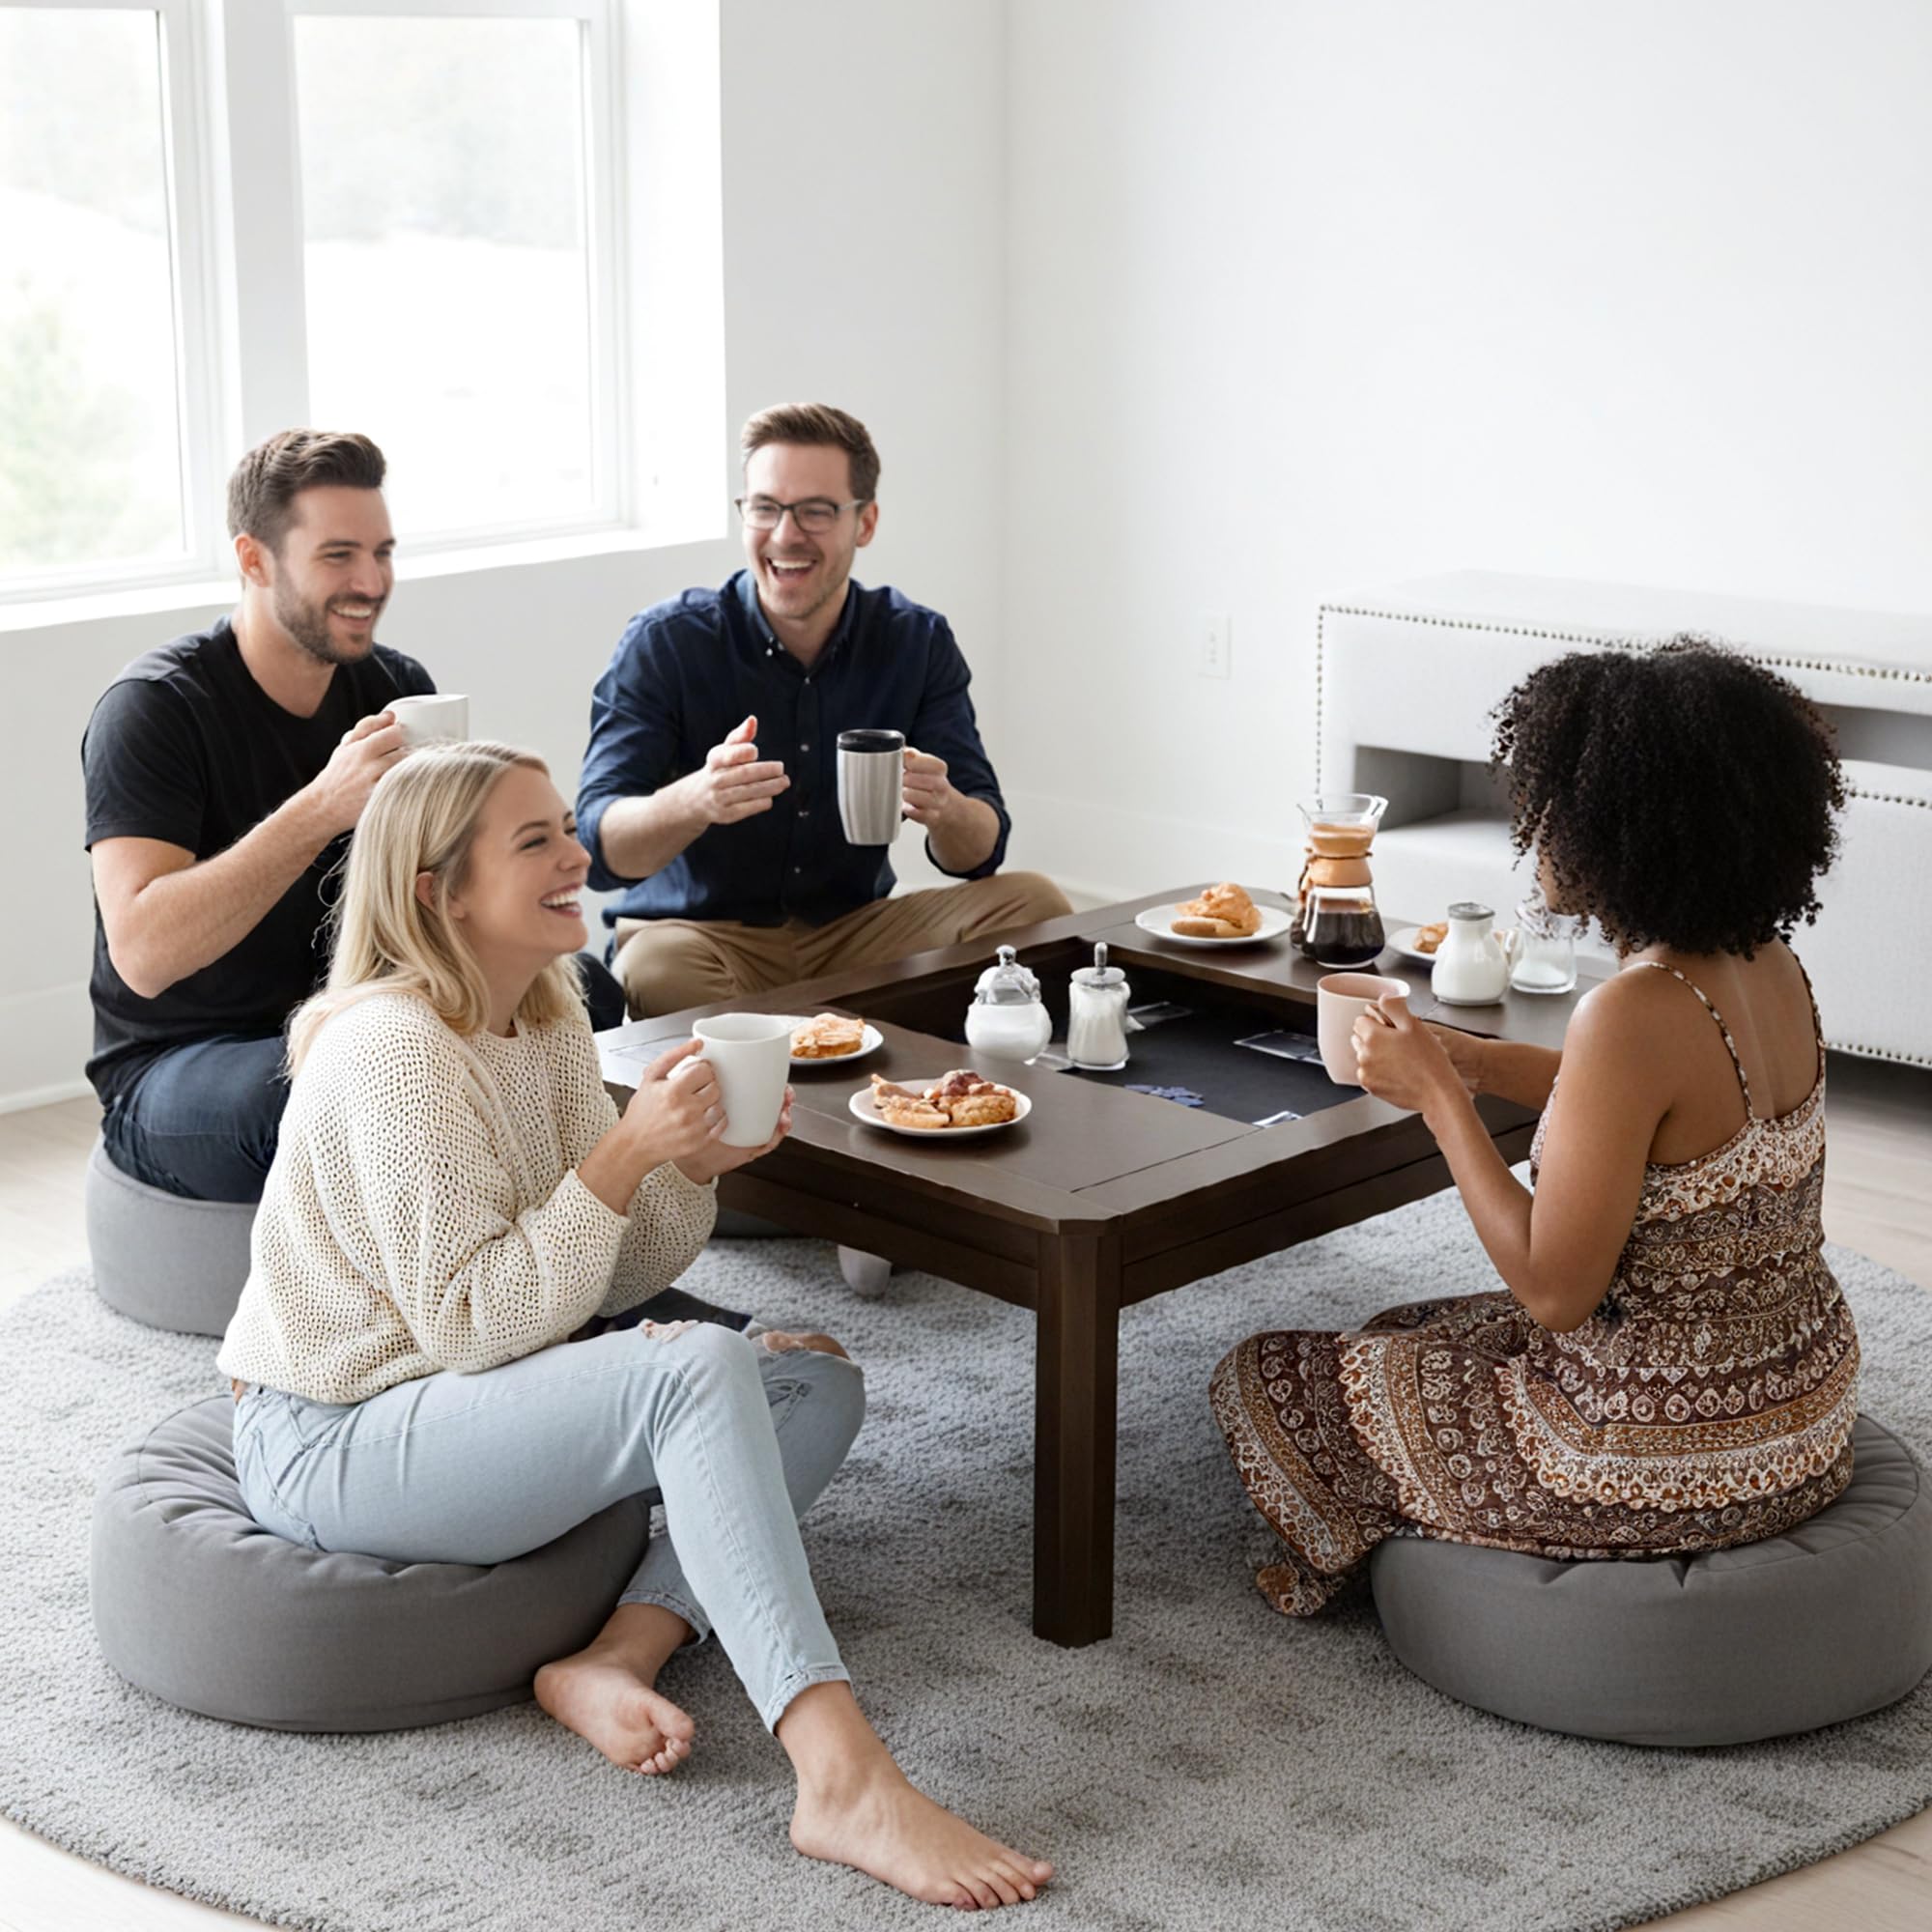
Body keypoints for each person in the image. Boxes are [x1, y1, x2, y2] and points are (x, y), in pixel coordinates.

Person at [216, 741, 1052, 1912]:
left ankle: (614, 1655)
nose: (577, 857)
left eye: (566, 827)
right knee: (699, 1364)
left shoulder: (546, 1015)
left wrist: (686, 1167)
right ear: (436, 890)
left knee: (815, 1386)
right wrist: (622, 1153)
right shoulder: (394, 1050)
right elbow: (473, 1323)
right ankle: (840, 1775)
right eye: (535, 842)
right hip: (336, 1431)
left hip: (460, 1385)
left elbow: (607, 1278)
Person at [1211, 639, 1859, 1614]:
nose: (1533, 831)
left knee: (1260, 1374)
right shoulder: (1766, 965)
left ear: (1623, 821)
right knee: (1401, 1330)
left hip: (1654, 1457)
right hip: (1796, 1412)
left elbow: (1554, 1291)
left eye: (1550, 804)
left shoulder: (1631, 1009)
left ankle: (1346, 1559)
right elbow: (1658, 1121)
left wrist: (1438, 1099)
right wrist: (1468, 1060)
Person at [81, 428, 624, 1204]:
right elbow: (144, 952)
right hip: (187, 1061)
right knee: (343, 1089)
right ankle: (476, 1287)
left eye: (384, 553)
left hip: (371, 1017)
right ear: (254, 560)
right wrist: (322, 808)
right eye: (339, 556)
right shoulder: (155, 712)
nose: (372, 581)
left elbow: (450, 888)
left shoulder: (397, 687)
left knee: (588, 995)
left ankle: (551, 1247)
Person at [577, 403, 1070, 1019]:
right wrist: (696, 799)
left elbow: (981, 853)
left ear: (864, 523)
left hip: (858, 931)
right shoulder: (666, 641)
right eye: (765, 508)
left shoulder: (915, 640)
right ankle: (843, 1051)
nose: (786, 534)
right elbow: (598, 849)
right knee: (654, 968)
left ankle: (826, 1045)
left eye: (815, 511)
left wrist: (945, 810)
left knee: (1037, 905)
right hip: (704, 938)